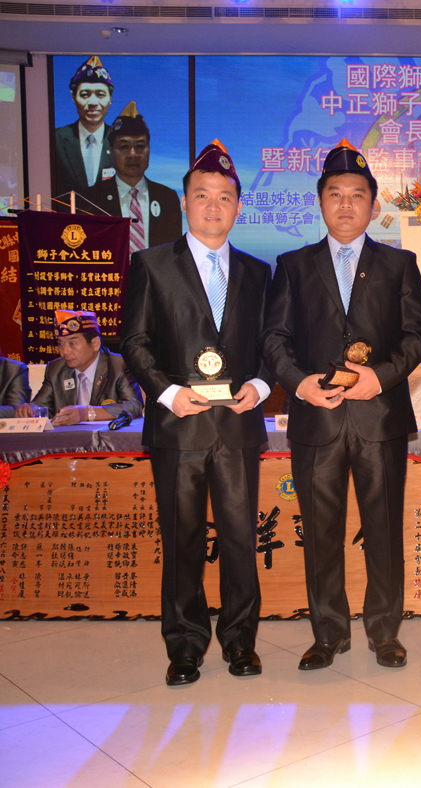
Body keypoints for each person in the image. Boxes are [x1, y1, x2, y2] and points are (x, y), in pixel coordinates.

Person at [262, 140, 421, 671]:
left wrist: (380, 377)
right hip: (317, 418)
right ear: (320, 202)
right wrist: (299, 383)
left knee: (383, 529)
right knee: (321, 534)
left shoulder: (399, 264)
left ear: (374, 206)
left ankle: (384, 631)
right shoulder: (293, 265)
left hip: (379, 417)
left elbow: (416, 336)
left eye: (358, 195)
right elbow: (275, 338)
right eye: (335, 194)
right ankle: (329, 633)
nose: (346, 204)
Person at [121, 140, 274, 686]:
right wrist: (167, 393)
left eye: (224, 197)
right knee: (182, 540)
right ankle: (184, 646)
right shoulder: (152, 264)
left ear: (239, 207)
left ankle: (240, 641)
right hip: (178, 427)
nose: (213, 206)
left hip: (237, 426)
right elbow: (134, 341)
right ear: (184, 202)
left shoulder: (258, 273)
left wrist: (260, 384)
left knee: (239, 540)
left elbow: (272, 345)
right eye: (202, 195)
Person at [79, 102, 183, 252]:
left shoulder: (167, 198)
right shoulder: (91, 199)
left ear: (149, 150)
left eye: (140, 146)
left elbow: (173, 254)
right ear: (111, 151)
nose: (133, 154)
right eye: (124, 147)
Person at [22, 309, 142, 424]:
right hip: (67, 437)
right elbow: (41, 405)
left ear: (95, 344)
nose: (65, 351)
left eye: (72, 343)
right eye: (60, 344)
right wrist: (30, 409)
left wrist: (87, 413)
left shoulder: (119, 365)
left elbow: (133, 406)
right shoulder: (56, 369)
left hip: (107, 437)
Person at [53, 56, 115, 202]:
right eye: (85, 95)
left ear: (110, 99)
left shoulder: (120, 140)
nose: (93, 102)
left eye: (100, 95)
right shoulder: (55, 139)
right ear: (73, 97)